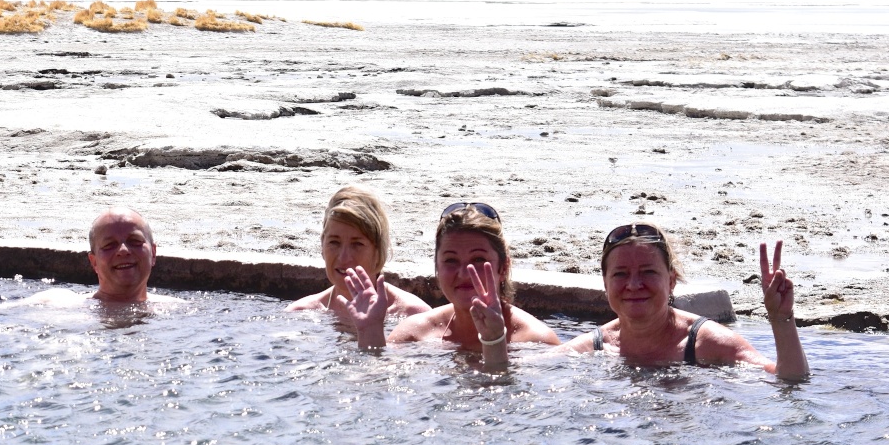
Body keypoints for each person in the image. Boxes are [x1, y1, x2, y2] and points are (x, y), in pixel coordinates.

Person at [559, 222, 809, 379]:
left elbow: (788, 379)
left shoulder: (706, 342)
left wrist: (781, 319)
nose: (634, 285)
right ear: (605, 283)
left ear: (671, 280)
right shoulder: (592, 348)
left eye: (648, 272)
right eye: (620, 274)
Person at [344, 201, 560, 366]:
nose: (464, 273)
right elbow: (376, 394)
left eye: (478, 260)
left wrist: (494, 342)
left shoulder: (536, 342)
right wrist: (370, 332)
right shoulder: (414, 334)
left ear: (503, 268)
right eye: (451, 260)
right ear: (437, 268)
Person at [0, 208, 178, 319]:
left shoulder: (175, 311)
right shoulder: (58, 300)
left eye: (135, 241)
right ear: (93, 262)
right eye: (109, 246)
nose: (124, 251)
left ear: (153, 253)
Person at [288, 185, 430, 316]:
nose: (344, 257)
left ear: (378, 250)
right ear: (322, 246)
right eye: (334, 242)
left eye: (357, 244)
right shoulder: (300, 315)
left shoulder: (414, 316)